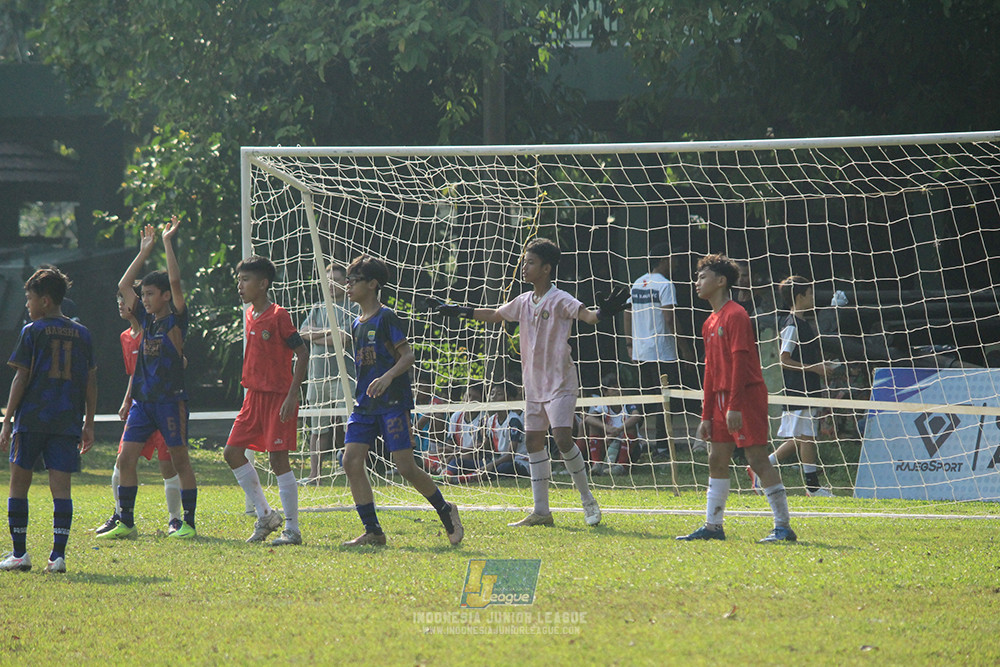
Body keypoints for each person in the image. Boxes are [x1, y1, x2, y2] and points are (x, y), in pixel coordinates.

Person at [432, 238, 629, 527]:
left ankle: (588, 501)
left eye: (531, 262)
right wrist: (457, 310)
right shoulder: (523, 301)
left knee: (562, 438)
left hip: (561, 382)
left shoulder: (560, 298)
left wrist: (604, 312)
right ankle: (541, 512)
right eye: (524, 261)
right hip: (533, 385)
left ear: (546, 268)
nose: (524, 267)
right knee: (534, 441)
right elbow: (496, 314)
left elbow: (587, 316)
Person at [340, 255, 463, 547]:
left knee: (405, 467)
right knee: (351, 461)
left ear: (372, 284)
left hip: (393, 403)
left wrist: (387, 378)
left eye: (352, 281)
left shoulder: (386, 317)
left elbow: (407, 356)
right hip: (364, 406)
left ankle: (446, 511)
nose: (347, 286)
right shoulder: (355, 324)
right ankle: (373, 531)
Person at [677, 254, 796, 543]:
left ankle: (783, 527)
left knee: (756, 458)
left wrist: (734, 406)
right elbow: (710, 371)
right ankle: (713, 526)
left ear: (721, 281)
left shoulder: (737, 315)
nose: (697, 282)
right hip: (720, 401)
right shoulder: (709, 322)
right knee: (717, 459)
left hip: (744, 397)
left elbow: (741, 363)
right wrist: (706, 415)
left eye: (702, 277)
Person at [100, 217, 198, 540]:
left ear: (166, 296)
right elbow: (123, 287)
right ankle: (126, 521)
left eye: (151, 294)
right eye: (144, 296)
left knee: (179, 461)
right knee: (125, 458)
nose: (144, 299)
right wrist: (143, 251)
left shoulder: (175, 320)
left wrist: (167, 243)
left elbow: (176, 280)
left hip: (170, 401)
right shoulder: (145, 320)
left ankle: (188, 522)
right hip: (143, 404)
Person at [1, 267, 96, 573]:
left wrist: (7, 420)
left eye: (28, 299)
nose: (26, 305)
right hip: (67, 420)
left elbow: (21, 377)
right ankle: (57, 557)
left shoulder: (32, 331)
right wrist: (89, 423)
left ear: (44, 301)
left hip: (32, 419)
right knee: (61, 489)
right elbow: (90, 382)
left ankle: (19, 554)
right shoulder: (82, 334)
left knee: (19, 484)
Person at [224, 255, 310, 546]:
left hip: (277, 399)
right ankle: (266, 515)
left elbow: (303, 353)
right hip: (253, 398)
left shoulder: (278, 315)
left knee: (278, 460)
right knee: (232, 452)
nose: (240, 285)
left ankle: (293, 529)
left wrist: (292, 394)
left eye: (245, 280)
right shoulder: (250, 314)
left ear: (263, 284)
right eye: (239, 279)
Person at [94, 290, 183, 536]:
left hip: (163, 404)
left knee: (168, 465)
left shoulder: (153, 328)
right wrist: (127, 399)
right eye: (118, 300)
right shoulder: (125, 337)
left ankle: (175, 520)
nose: (121, 304)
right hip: (140, 407)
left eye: (125, 299)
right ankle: (121, 515)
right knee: (122, 461)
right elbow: (135, 373)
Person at [750, 276, 840, 497]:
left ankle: (759, 467)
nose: (813, 297)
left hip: (806, 385)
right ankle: (812, 487)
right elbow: (784, 359)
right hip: (799, 388)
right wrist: (814, 368)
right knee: (807, 436)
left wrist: (820, 367)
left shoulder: (801, 323)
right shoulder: (791, 325)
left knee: (799, 436)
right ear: (799, 297)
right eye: (810, 293)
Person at [625, 243, 693, 459]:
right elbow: (669, 318)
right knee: (666, 400)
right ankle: (662, 448)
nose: (677, 263)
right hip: (662, 352)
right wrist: (685, 349)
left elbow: (627, 312)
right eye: (674, 259)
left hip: (641, 351)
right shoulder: (665, 285)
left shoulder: (638, 283)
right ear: (664, 260)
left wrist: (629, 344)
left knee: (646, 400)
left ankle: (628, 443)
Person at [299, 263, 358, 484]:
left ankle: (353, 472)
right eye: (328, 281)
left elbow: (344, 339)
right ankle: (315, 475)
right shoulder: (318, 307)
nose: (331, 285)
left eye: (335, 280)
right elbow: (303, 332)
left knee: (349, 426)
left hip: (346, 377)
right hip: (317, 377)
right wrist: (327, 334)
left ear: (346, 282)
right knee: (317, 428)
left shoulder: (354, 307)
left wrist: (318, 335)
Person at [584, 374, 643, 476]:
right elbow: (589, 418)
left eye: (619, 387)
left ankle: (621, 466)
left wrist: (618, 430)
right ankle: (597, 464)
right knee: (593, 426)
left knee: (630, 427)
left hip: (630, 448)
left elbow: (636, 416)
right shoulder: (604, 405)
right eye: (614, 388)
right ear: (605, 392)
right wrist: (607, 428)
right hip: (609, 445)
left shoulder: (627, 403)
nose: (617, 390)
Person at [479, 383, 528, 479]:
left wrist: (492, 464)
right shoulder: (491, 420)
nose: (494, 397)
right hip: (498, 460)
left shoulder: (513, 421)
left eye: (499, 394)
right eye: (492, 394)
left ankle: (467, 478)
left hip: (518, 462)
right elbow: (487, 447)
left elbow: (511, 455)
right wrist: (483, 432)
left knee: (500, 468)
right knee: (462, 462)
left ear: (508, 399)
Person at [442, 382, 487, 478]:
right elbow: (450, 443)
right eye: (468, 396)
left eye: (475, 398)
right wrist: (446, 450)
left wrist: (458, 453)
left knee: (461, 460)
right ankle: (444, 469)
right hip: (457, 454)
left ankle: (446, 474)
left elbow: (480, 447)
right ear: (463, 397)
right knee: (429, 454)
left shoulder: (484, 418)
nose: (470, 400)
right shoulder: (456, 416)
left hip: (476, 459)